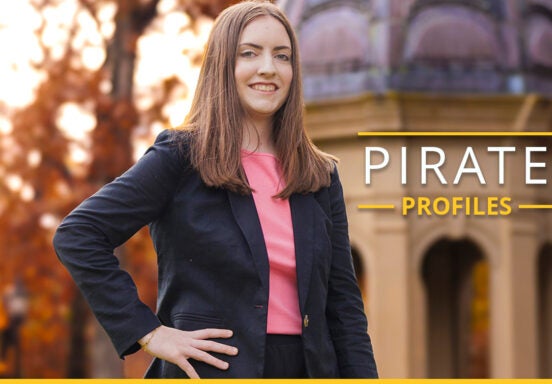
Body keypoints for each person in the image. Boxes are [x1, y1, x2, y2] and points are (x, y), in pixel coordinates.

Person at [52, 0, 377, 378]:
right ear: (224, 64)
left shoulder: (319, 176)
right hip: (212, 371)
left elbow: (344, 308)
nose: (268, 68)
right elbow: (78, 234)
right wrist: (148, 333)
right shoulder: (180, 158)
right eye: (249, 53)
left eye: (282, 56)